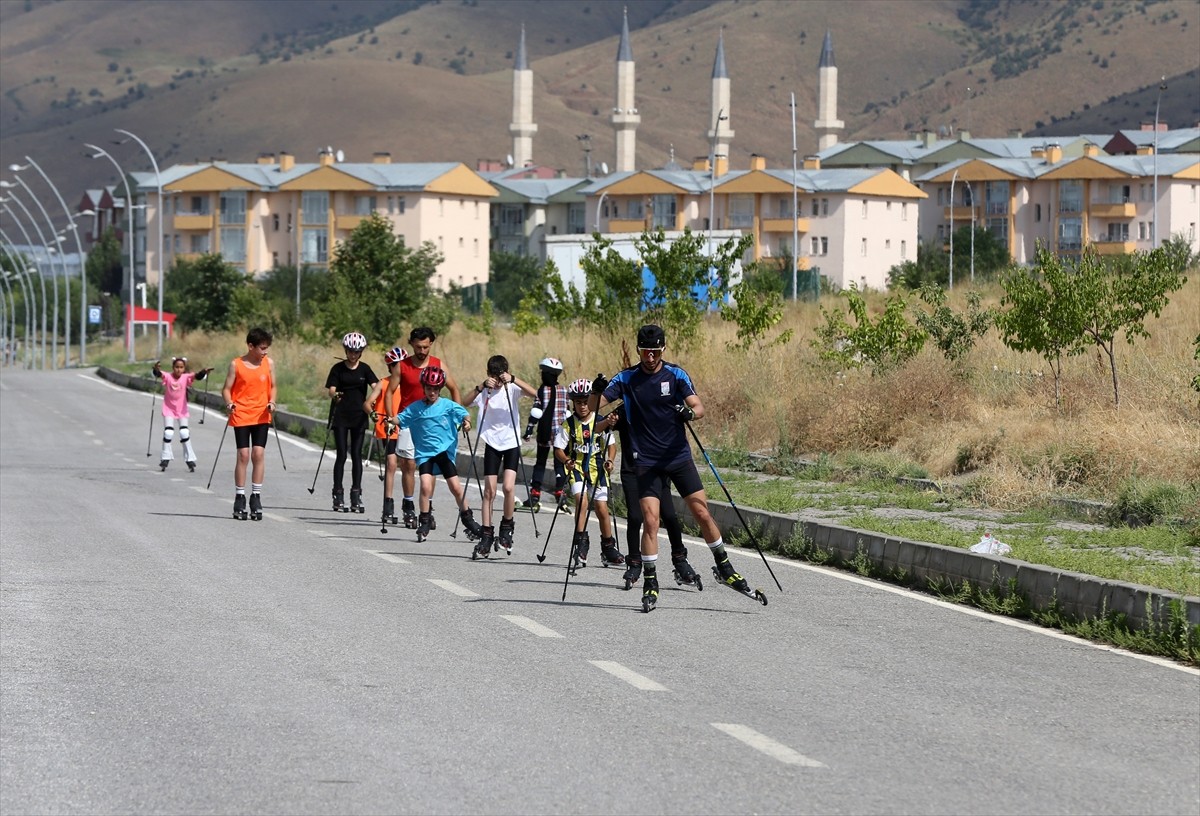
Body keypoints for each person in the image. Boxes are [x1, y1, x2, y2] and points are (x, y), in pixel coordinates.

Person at [598, 323, 751, 611]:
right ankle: (651, 583)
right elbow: (596, 408)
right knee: (652, 520)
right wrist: (595, 392)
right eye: (645, 351)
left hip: (678, 457)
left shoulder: (676, 375)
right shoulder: (627, 378)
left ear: (663, 350)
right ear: (639, 350)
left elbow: (699, 407)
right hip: (646, 462)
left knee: (702, 512)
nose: (650, 357)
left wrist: (689, 412)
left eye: (655, 352)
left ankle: (724, 567)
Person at [603, 343, 697, 590]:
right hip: (633, 470)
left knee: (669, 515)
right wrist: (609, 420)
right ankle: (635, 563)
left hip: (656, 468)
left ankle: (680, 559)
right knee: (636, 517)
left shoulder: (654, 404)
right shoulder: (623, 410)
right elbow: (597, 422)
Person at [385, 327, 461, 530]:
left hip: (433, 424)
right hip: (409, 421)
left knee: (431, 467)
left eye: (426, 347)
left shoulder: (438, 365)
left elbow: (454, 389)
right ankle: (409, 506)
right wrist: (390, 416)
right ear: (411, 344)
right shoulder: (402, 366)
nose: (422, 351)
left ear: (431, 345)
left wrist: (456, 418)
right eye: (418, 347)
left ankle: (427, 509)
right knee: (408, 464)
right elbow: (390, 392)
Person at [396, 366, 482, 544]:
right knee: (426, 487)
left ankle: (469, 521)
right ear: (423, 387)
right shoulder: (416, 408)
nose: (432, 392)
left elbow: (464, 414)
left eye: (435, 389)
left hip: (444, 452)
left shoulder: (447, 405)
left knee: (456, 488)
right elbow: (401, 418)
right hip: (425, 454)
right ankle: (425, 521)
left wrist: (466, 423)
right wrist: (390, 421)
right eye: (428, 388)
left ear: (441, 388)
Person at [463, 355, 538, 558]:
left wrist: (512, 378)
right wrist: (480, 386)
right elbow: (464, 403)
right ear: (488, 374)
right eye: (493, 376)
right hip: (492, 444)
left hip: (511, 443)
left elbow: (536, 394)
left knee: (508, 487)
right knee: (489, 491)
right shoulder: (485, 391)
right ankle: (487, 534)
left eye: (499, 376)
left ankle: (507, 528)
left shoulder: (511, 388)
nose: (496, 380)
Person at [554, 378, 624, 570]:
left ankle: (608, 548)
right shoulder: (568, 424)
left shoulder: (601, 421)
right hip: (577, 469)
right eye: (578, 402)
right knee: (581, 501)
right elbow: (558, 449)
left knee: (602, 509)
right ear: (572, 403)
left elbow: (611, 446)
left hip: (598, 470)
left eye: (586, 402)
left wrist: (610, 461)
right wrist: (566, 460)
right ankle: (581, 544)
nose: (583, 406)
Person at [221, 327, 276, 521]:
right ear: (250, 346)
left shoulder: (268, 363)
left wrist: (272, 401)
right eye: (262, 348)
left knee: (258, 453)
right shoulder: (236, 364)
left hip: (261, 414)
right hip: (242, 414)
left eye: (267, 348)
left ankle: (256, 496)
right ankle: (239, 496)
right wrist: (229, 403)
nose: (265, 352)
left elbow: (273, 386)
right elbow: (226, 389)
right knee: (244, 455)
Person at [324, 331, 378, 513]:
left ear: (361, 351)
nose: (353, 355)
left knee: (356, 455)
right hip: (340, 415)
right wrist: (336, 394)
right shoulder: (337, 369)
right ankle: (337, 494)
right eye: (350, 351)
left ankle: (356, 495)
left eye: (356, 351)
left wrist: (374, 400)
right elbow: (331, 389)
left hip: (359, 416)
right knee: (341, 454)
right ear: (345, 350)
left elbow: (376, 386)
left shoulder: (365, 369)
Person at [520, 356, 570, 514]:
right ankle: (560, 494)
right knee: (559, 464)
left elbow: (536, 412)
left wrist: (529, 429)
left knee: (540, 463)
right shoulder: (564, 391)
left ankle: (535, 496)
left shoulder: (542, 391)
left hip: (545, 432)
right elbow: (567, 412)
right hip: (561, 434)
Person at [364, 346, 407, 524]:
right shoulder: (384, 383)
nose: (398, 368)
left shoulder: (410, 384)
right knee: (391, 463)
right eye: (395, 365)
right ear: (389, 367)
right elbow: (368, 403)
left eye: (401, 364)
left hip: (406, 428)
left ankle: (409, 505)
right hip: (388, 428)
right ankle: (388, 506)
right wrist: (372, 413)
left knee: (407, 465)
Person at [151, 356, 213, 473]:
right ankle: (165, 457)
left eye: (181, 367)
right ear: (173, 367)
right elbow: (158, 374)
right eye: (176, 367)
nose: (179, 370)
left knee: (184, 432)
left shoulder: (186, 377)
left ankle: (190, 459)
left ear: (184, 368)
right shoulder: (168, 376)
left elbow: (198, 376)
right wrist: (155, 369)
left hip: (182, 410)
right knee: (168, 432)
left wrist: (204, 371)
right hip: (169, 408)